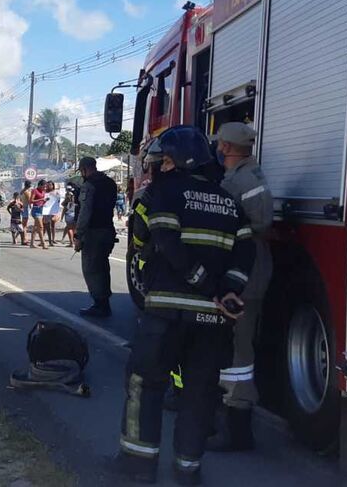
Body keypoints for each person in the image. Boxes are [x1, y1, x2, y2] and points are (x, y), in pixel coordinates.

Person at [116, 126, 255, 485]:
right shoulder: (228, 201)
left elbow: (156, 240)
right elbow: (245, 253)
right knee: (199, 396)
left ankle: (138, 467)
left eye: (163, 160)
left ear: (177, 161)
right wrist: (227, 292)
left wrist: (203, 283)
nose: (158, 167)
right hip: (213, 320)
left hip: (165, 313)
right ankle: (188, 471)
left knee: (145, 385)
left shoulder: (161, 193)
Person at [208, 122, 273, 452]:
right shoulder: (242, 176)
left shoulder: (245, 180)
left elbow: (257, 223)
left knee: (239, 352)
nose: (217, 149)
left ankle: (238, 431)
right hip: (243, 272)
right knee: (232, 347)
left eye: (219, 144)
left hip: (245, 277)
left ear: (226, 147)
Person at [75, 159, 118, 317]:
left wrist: (78, 235)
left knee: (92, 269)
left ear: (86, 169)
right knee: (103, 267)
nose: (81, 174)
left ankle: (100, 304)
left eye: (81, 171)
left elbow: (85, 212)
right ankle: (103, 301)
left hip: (94, 232)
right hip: (108, 229)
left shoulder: (89, 186)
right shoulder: (110, 183)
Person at [29, 179, 48, 249]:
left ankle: (32, 243)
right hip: (35, 210)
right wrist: (41, 200)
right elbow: (31, 201)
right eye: (44, 186)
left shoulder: (43, 191)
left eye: (46, 187)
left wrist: (45, 201)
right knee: (41, 227)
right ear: (40, 185)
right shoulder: (35, 190)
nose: (45, 188)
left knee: (36, 228)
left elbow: (42, 202)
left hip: (41, 209)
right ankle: (43, 244)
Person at [43, 181, 63, 247]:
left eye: (50, 185)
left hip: (53, 211)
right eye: (48, 185)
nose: (49, 186)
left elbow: (58, 200)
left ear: (53, 185)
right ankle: (48, 240)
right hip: (46, 211)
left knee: (53, 225)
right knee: (46, 226)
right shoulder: (45, 192)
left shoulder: (55, 192)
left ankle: (53, 239)